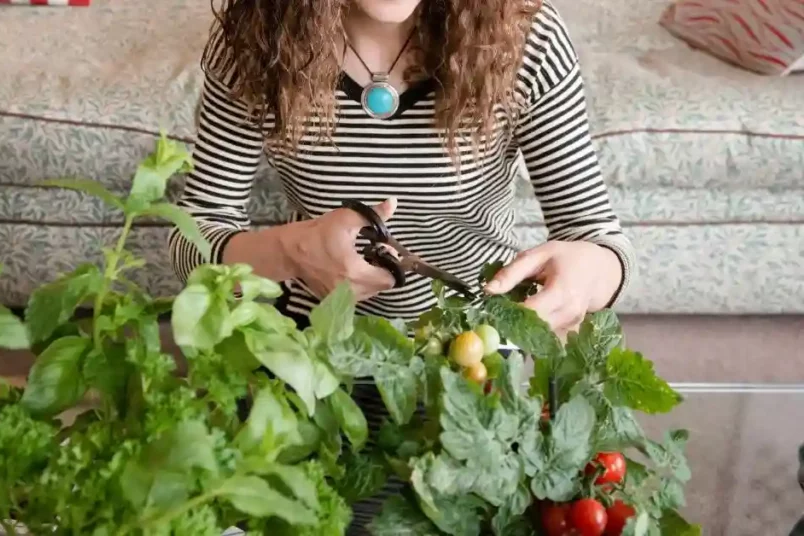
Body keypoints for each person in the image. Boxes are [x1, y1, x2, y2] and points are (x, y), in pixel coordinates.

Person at [168, 0, 635, 531]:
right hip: (313, 361)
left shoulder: (526, 36)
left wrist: (590, 273)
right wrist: (291, 250)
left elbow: (600, 237)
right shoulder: (253, 35)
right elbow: (194, 232)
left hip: (474, 372)